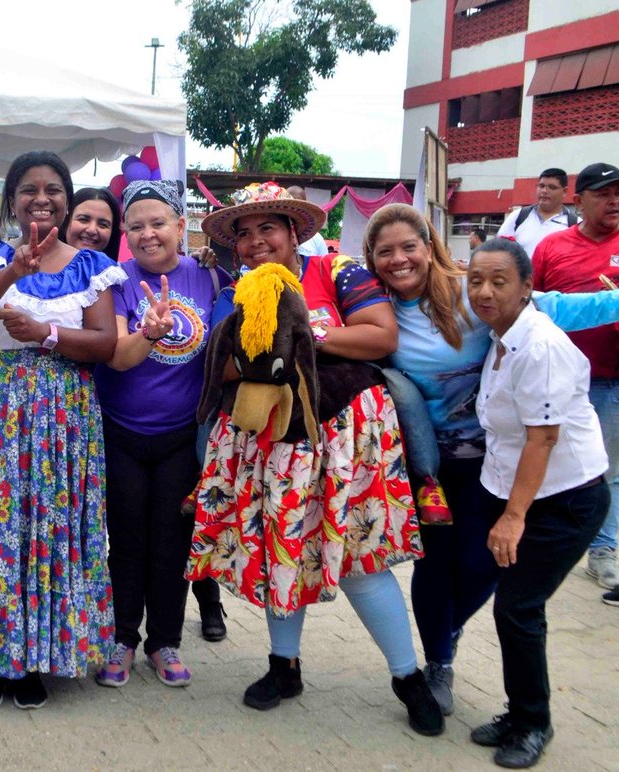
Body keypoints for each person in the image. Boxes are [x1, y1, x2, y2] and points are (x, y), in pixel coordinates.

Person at [190, 182, 443, 736]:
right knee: (283, 550)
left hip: (346, 437)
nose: (256, 243)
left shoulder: (338, 271)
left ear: (293, 233)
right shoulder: (234, 292)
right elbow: (220, 365)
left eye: (268, 229)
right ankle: (284, 667)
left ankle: (409, 678)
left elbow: (381, 336)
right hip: (274, 444)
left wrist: (303, 339)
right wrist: (257, 352)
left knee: (361, 562)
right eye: (244, 234)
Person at [363, 202, 619, 716]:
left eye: (408, 246)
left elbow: (551, 306)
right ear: (371, 259)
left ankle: (448, 629)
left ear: (429, 246)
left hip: (495, 463)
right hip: (432, 467)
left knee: (487, 564)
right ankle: (438, 661)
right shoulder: (377, 312)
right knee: (434, 566)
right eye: (385, 251)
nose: (398, 260)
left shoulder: (472, 292)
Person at [0, 150, 122, 710]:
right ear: (12, 200)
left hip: (62, 414)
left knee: (48, 529)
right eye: (29, 189)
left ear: (67, 197)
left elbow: (105, 343)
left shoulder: (90, 265)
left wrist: (44, 332)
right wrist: (16, 270)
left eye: (53, 189)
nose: (42, 198)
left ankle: (37, 659)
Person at [465, 237, 609, 769]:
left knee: (519, 608)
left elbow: (542, 438)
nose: (484, 291)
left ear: (527, 287)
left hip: (565, 499)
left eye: (499, 282)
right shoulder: (501, 336)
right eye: (476, 280)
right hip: (530, 491)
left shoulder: (540, 345)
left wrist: (513, 517)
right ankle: (520, 710)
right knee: (517, 609)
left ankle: (533, 722)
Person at [92, 179, 229, 688]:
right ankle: (123, 637)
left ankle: (164, 641)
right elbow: (118, 356)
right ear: (125, 234)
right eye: (136, 226)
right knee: (126, 539)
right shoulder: (115, 280)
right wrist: (149, 329)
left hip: (182, 438)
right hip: (122, 431)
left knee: (172, 542)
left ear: (180, 226)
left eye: (158, 223)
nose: (148, 234)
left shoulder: (211, 277)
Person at [531, 162, 619, 595]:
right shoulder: (551, 247)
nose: (614, 200)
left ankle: (603, 550)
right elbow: (531, 304)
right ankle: (540, 530)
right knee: (544, 455)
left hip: (610, 378)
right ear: (579, 200)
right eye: (604, 193)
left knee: (606, 467)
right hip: (555, 378)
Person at [497, 168, 576, 258]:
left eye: (552, 187)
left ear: (565, 191)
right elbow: (499, 250)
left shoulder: (574, 224)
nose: (544, 191)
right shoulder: (518, 216)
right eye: (541, 186)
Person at [66, 187, 121, 260]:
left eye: (103, 225)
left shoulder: (117, 271)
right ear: (66, 221)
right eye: (83, 219)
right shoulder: (46, 265)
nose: (92, 230)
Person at [286, 186, 329, 257]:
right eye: (289, 204)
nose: (294, 210)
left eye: (298, 205)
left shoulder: (316, 239)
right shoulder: (276, 236)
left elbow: (324, 264)